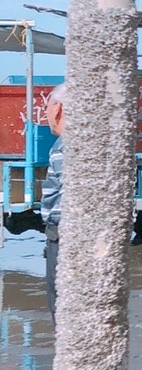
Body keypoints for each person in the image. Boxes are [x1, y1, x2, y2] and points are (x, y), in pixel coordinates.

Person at [40, 85, 65, 317]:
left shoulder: (64, 148)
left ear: (58, 109)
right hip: (61, 236)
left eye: (46, 107)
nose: (45, 114)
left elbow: (72, 194)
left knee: (60, 306)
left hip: (63, 238)